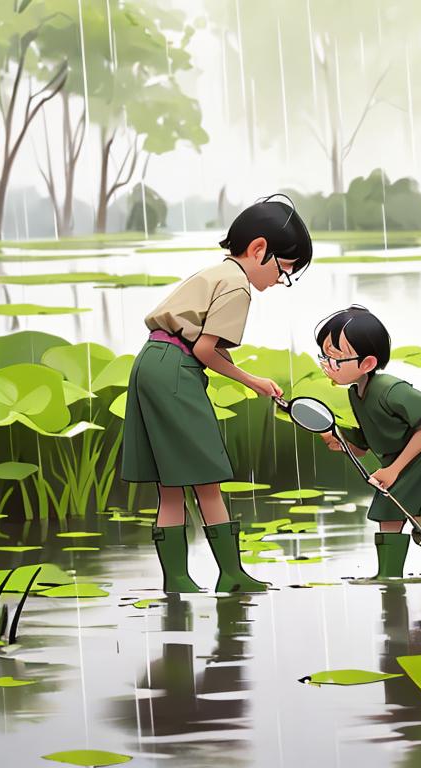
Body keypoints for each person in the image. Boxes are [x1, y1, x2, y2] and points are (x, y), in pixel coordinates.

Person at [122, 195, 312, 593]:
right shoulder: (238, 287)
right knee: (207, 478)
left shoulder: (215, 273)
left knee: (170, 486)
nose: (280, 280)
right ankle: (231, 575)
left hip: (151, 362)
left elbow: (197, 341)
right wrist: (253, 381)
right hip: (175, 371)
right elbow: (206, 351)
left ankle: (177, 581)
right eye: (285, 269)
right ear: (259, 249)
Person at [313, 306, 421, 578]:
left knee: (390, 510)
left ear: (368, 363)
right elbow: (365, 443)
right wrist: (342, 441)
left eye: (336, 359)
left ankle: (394, 573)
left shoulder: (390, 389)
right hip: (398, 457)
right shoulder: (356, 393)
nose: (327, 365)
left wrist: (394, 470)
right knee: (400, 510)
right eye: (325, 356)